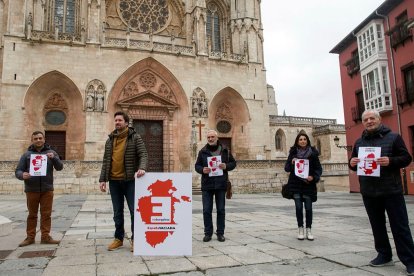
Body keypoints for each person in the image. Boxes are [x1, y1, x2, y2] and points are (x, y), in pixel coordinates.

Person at [349, 109, 414, 275]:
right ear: (363, 123)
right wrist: (352, 162)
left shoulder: (394, 138)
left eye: (372, 118)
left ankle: (410, 260)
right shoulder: (359, 142)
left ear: (379, 120)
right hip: (369, 191)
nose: (369, 121)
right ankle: (384, 254)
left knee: (400, 226)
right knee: (377, 226)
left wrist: (390, 161)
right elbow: (354, 164)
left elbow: (406, 158)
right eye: (366, 119)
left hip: (391, 190)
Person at [99, 111, 148, 252]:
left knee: (134, 211)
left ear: (126, 123)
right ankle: (118, 238)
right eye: (116, 120)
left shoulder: (135, 137)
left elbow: (143, 154)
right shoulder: (110, 140)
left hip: (130, 181)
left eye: (120, 120)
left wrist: (142, 168)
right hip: (114, 181)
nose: (117, 122)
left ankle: (135, 239)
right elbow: (106, 161)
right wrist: (102, 179)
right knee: (117, 212)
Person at [15, 131, 63, 246]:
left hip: (47, 189)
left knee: (46, 214)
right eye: (35, 138)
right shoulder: (26, 155)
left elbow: (60, 167)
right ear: (32, 140)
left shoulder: (51, 153)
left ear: (44, 139)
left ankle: (45, 237)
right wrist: (22, 175)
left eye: (40, 138)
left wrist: (54, 158)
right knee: (32, 215)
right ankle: (30, 237)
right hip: (31, 190)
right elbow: (18, 171)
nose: (38, 140)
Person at [195, 129, 236, 242]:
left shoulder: (224, 150)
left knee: (221, 210)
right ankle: (208, 233)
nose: (210, 139)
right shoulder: (202, 151)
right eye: (208, 137)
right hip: (207, 185)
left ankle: (220, 233)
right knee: (206, 210)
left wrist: (226, 166)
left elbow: (233, 163)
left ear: (217, 138)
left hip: (220, 184)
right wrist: (202, 169)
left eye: (212, 137)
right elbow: (197, 166)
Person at [284, 133, 322, 241]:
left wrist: (313, 177)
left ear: (307, 140)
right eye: (300, 139)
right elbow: (286, 168)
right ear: (297, 141)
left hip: (308, 185)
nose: (302, 141)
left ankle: (309, 229)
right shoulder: (293, 153)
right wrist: (292, 163)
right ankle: (300, 229)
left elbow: (319, 169)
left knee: (308, 208)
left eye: (304, 139)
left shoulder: (313, 153)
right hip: (296, 184)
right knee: (299, 208)